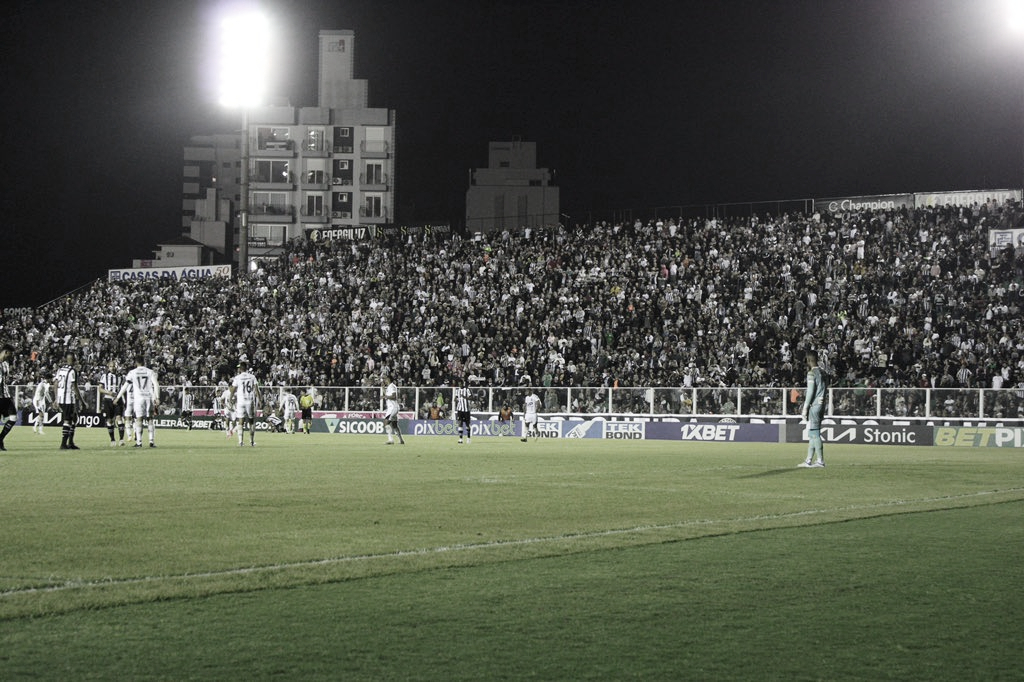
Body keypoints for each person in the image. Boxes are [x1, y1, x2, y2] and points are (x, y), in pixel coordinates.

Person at [116, 355, 160, 448]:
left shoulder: (132, 372)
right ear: (144, 362)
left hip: (139, 398)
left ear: (136, 363)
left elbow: (125, 385)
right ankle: (151, 442)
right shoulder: (150, 371)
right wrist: (157, 397)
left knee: (139, 419)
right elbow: (156, 384)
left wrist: (118, 397)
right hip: (148, 397)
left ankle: (139, 442)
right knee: (150, 419)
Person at [799, 350, 828, 468]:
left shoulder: (811, 374)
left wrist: (805, 408)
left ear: (808, 360)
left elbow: (810, 392)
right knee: (812, 433)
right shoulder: (823, 372)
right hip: (821, 404)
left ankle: (820, 461)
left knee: (815, 434)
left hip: (815, 405)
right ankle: (809, 460)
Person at [54, 351, 83, 451]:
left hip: (61, 398)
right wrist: (82, 401)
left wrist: (56, 398)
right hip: (68, 399)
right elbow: (75, 387)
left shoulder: (60, 370)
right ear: (74, 360)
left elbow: (56, 384)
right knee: (68, 420)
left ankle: (70, 442)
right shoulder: (72, 371)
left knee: (74, 418)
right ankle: (63, 444)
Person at [230, 360, 262, 447]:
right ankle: (251, 441)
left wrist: (230, 398)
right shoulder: (252, 377)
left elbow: (233, 389)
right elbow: (256, 389)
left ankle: (241, 442)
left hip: (240, 401)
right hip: (249, 400)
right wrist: (259, 400)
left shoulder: (237, 377)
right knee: (251, 421)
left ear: (240, 368)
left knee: (240, 421)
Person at [98, 360, 126, 446]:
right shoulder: (104, 376)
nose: (112, 368)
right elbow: (100, 389)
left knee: (119, 418)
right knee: (109, 420)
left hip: (118, 399)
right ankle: (112, 440)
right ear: (108, 367)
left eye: (114, 366)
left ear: (116, 367)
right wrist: (109, 392)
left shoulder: (121, 377)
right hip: (108, 400)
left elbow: (123, 388)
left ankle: (121, 440)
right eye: (111, 366)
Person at [0, 344, 19, 450]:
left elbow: (4, 379)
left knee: (13, 417)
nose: (10, 356)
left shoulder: (6, 364)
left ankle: (0, 438)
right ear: (5, 352)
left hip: (6, 395)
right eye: (10, 354)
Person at [382, 373, 404, 445]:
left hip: (393, 408)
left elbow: (394, 396)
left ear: (388, 379)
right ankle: (401, 440)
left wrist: (385, 397)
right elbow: (388, 395)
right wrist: (383, 389)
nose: (384, 380)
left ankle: (390, 440)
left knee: (386, 422)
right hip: (392, 408)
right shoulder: (389, 387)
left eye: (385, 379)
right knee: (394, 425)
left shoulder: (392, 386)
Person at [453, 379, 471, 444]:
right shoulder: (457, 390)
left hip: (466, 409)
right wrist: (455, 399)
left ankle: (468, 438)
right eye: (459, 384)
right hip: (459, 409)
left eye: (461, 384)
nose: (460, 385)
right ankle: (460, 439)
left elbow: (471, 397)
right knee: (460, 423)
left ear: (463, 384)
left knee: (467, 424)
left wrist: (465, 397)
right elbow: (455, 398)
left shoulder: (467, 390)